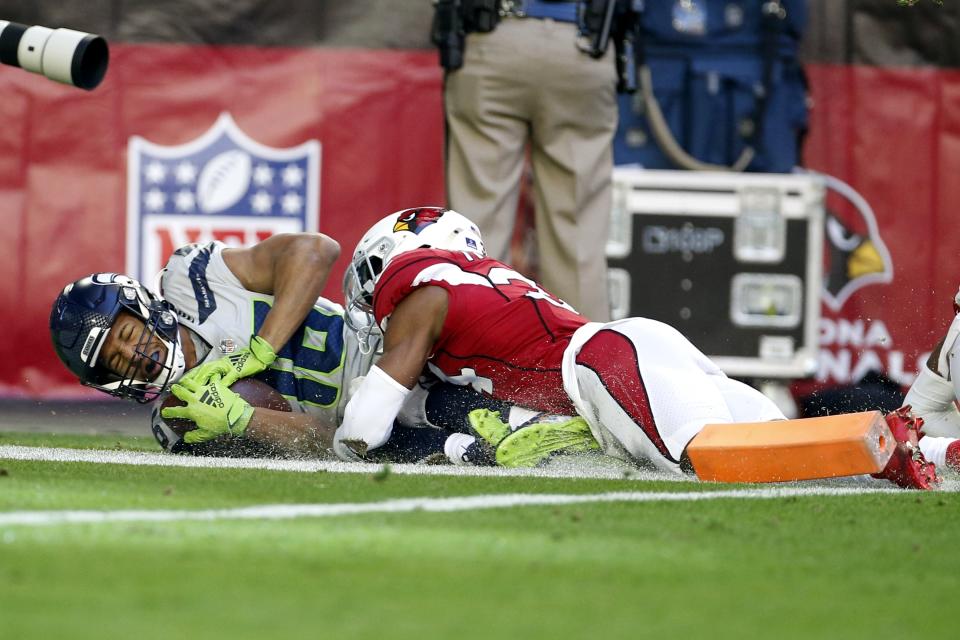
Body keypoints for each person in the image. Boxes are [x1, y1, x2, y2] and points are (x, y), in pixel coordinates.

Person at [333, 207, 951, 488]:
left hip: (607, 364)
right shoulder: (478, 283)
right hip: (638, 350)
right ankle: (940, 448)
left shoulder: (423, 293)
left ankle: (901, 450)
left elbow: (361, 432)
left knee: (717, 462)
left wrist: (345, 428)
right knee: (795, 449)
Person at [48, 233, 450, 460]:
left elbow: (316, 251)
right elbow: (324, 443)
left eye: (129, 337)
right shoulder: (177, 418)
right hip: (378, 433)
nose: (137, 357)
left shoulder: (191, 281)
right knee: (442, 437)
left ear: (143, 307)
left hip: (395, 348)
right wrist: (243, 420)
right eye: (117, 362)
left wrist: (261, 350)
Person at [439, 0, 617, 321]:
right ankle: (585, 364)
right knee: (578, 242)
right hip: (583, 39)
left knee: (478, 228)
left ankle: (471, 360)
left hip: (493, 34)